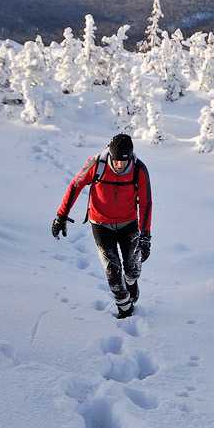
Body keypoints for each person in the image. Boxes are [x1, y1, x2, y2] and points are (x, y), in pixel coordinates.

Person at [53, 134, 152, 318]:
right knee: (112, 270)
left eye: (124, 161)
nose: (120, 165)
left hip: (128, 224)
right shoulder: (96, 163)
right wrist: (61, 215)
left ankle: (131, 282)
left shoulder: (139, 169)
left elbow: (146, 203)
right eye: (116, 161)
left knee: (132, 269)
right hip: (101, 224)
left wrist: (146, 236)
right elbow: (75, 185)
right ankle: (125, 310)